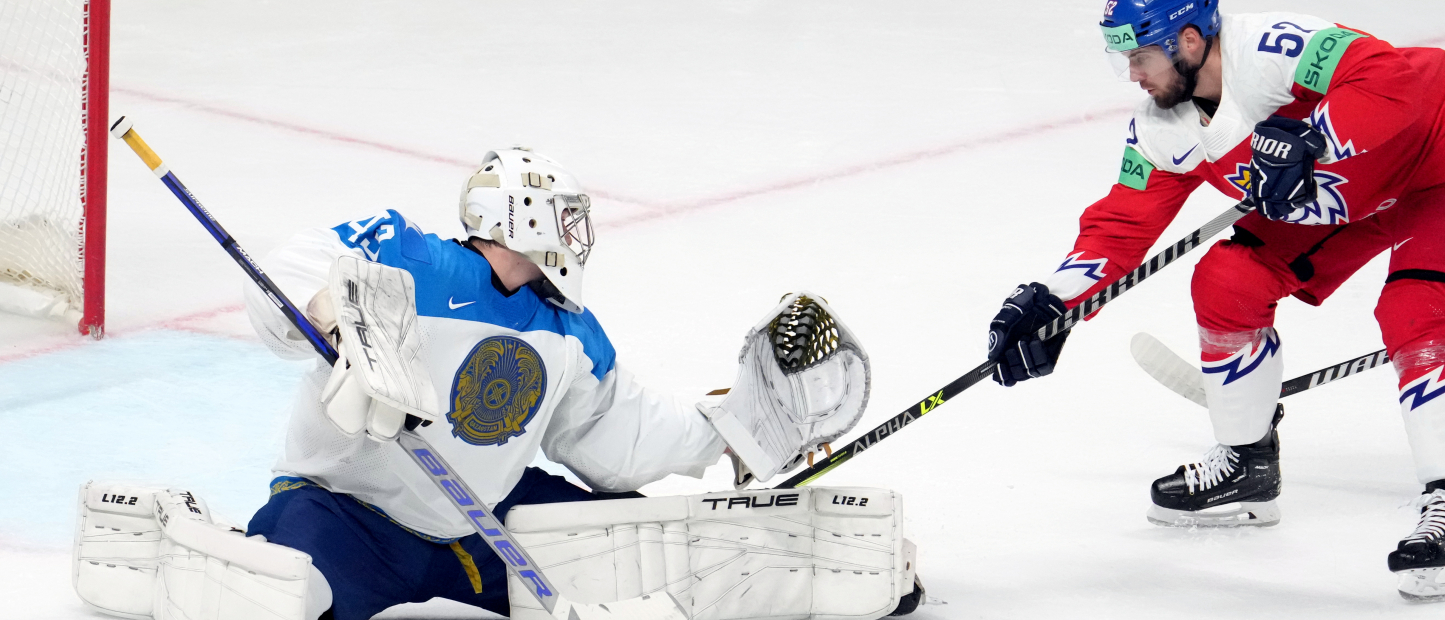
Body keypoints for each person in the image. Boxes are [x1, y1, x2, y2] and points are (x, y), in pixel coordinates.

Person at [71, 148, 888, 620]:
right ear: (523, 220)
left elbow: (618, 438)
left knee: (654, 550)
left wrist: (730, 427)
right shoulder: (408, 254)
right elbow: (290, 270)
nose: (576, 236)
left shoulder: (569, 330)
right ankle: (169, 540)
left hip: (481, 522)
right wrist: (336, 314)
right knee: (280, 594)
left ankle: (839, 573)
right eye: (562, 217)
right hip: (349, 513)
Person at [984, 0, 1445, 602]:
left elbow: (1395, 77)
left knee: (1417, 312)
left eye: (1139, 57)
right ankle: (1247, 465)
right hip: (1351, 199)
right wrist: (1053, 302)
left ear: (1187, 40)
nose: (1133, 75)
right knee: (1227, 279)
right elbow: (1120, 227)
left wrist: (1315, 137)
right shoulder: (1162, 127)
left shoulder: (1267, 47)